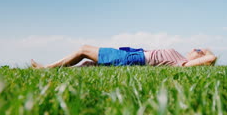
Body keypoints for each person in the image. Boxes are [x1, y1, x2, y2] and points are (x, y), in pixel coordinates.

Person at [31, 45, 217, 68]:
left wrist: (207, 56)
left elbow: (211, 59)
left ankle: (47, 69)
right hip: (131, 55)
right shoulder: (180, 58)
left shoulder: (183, 64)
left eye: (199, 50)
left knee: (83, 50)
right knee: (88, 64)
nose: (195, 48)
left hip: (131, 59)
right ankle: (57, 72)